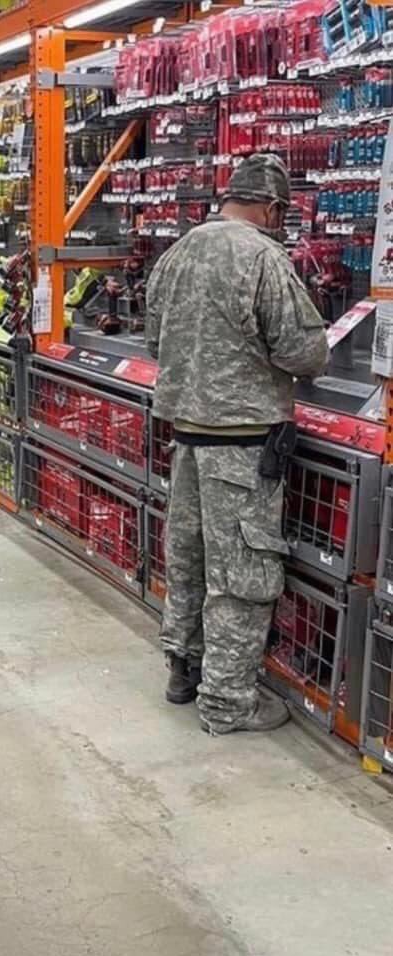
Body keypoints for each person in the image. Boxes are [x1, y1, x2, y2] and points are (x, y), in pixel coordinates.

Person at [145, 154, 329, 735]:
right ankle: (228, 702)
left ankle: (183, 668)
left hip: (186, 438)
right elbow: (305, 352)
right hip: (242, 445)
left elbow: (154, 342)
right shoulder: (264, 258)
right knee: (241, 574)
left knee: (189, 559)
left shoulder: (176, 253)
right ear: (272, 208)